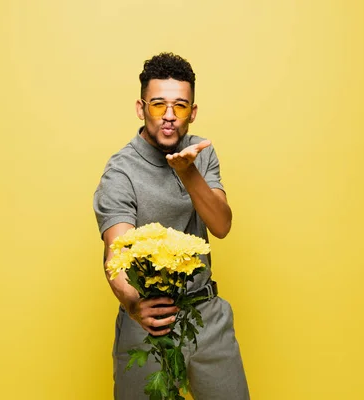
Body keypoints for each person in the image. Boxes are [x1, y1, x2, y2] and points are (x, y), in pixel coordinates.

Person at [93, 52, 249, 399]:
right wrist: (133, 304)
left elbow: (221, 225)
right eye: (158, 104)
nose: (168, 116)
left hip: (206, 314)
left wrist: (186, 170)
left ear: (192, 112)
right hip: (150, 318)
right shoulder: (120, 172)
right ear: (140, 107)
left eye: (179, 106)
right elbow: (115, 254)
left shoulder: (200, 153)